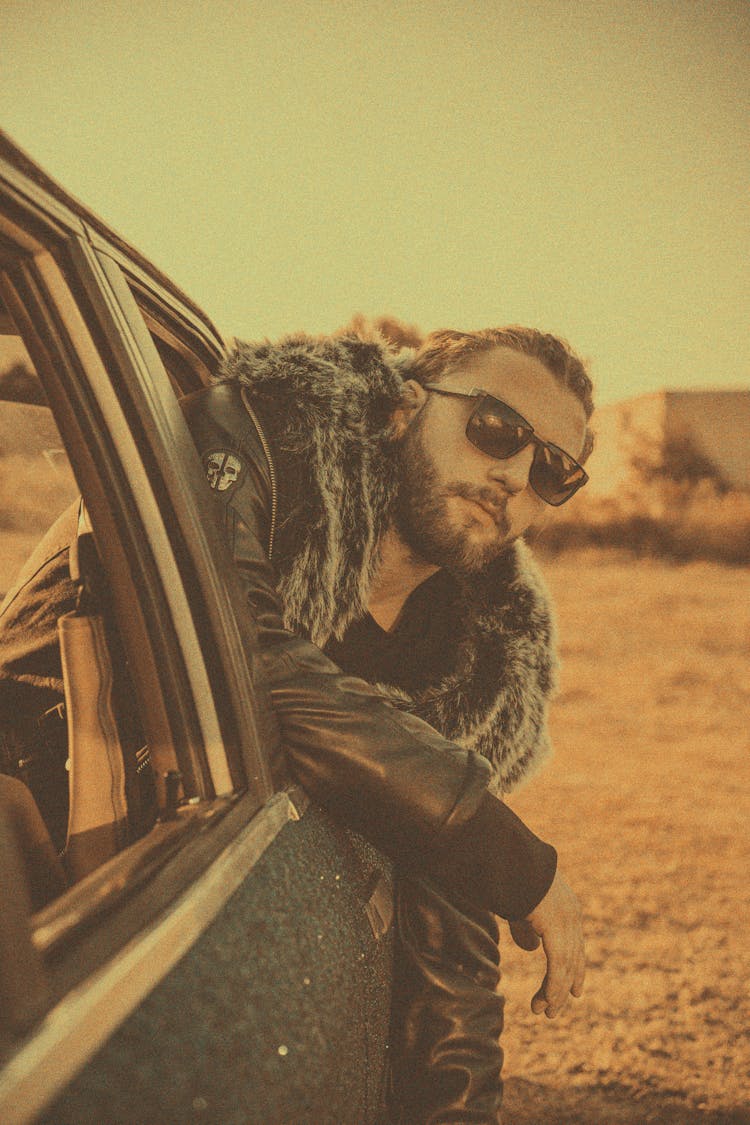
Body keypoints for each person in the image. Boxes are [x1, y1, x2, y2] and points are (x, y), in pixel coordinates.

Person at [0, 322, 591, 1124]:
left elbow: (443, 918)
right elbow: (238, 648)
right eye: (496, 427)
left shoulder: (478, 658)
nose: (515, 473)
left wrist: (459, 1108)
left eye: (554, 468)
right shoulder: (263, 444)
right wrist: (501, 847)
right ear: (403, 409)